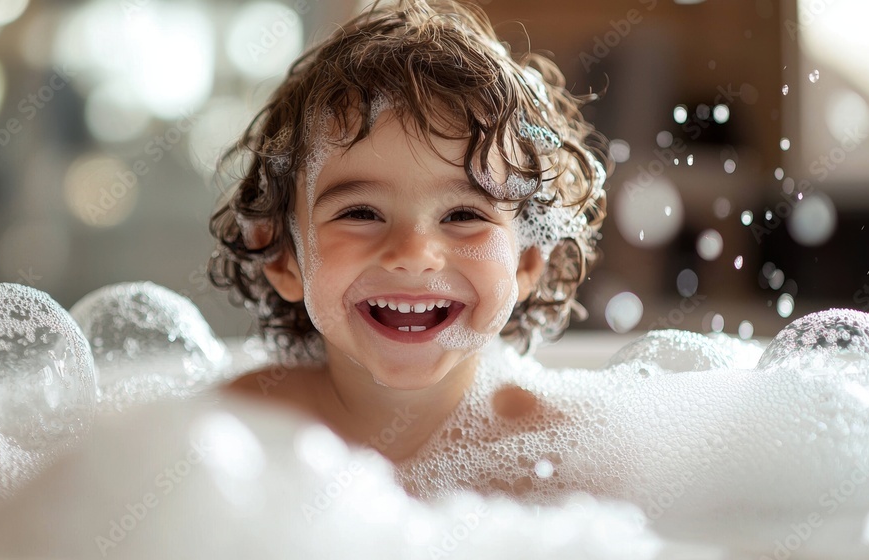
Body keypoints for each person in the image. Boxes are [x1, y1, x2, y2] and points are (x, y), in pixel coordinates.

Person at [208, 0, 607, 476]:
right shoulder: (232, 432)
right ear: (283, 259)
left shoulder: (563, 456)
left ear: (526, 260)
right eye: (360, 213)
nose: (414, 255)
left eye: (463, 214)